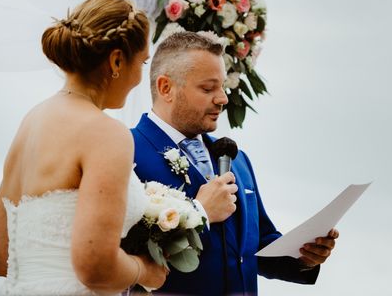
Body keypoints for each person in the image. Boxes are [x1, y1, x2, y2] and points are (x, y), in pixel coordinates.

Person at [131, 32, 339, 295]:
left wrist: (303, 257)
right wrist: (199, 211)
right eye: (208, 89)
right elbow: (119, 255)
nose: (223, 99)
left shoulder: (237, 160)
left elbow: (257, 245)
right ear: (165, 88)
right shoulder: (128, 151)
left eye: (222, 87)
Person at [0, 0, 168, 295]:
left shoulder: (30, 124)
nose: (140, 77)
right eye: (143, 62)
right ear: (117, 60)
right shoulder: (106, 133)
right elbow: (95, 267)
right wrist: (145, 271)